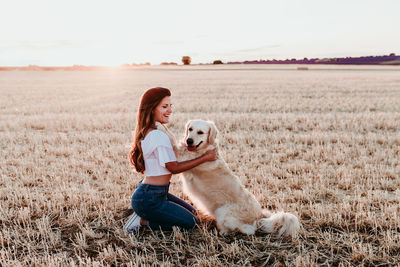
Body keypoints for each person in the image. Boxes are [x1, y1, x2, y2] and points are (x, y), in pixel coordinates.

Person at [124, 87, 218, 233]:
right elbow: (173, 168)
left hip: (157, 193)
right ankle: (143, 221)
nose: (169, 111)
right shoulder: (158, 135)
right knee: (190, 223)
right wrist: (206, 157)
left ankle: (146, 213)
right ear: (151, 109)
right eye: (164, 106)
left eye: (170, 106)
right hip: (149, 198)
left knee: (193, 214)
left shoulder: (153, 131)